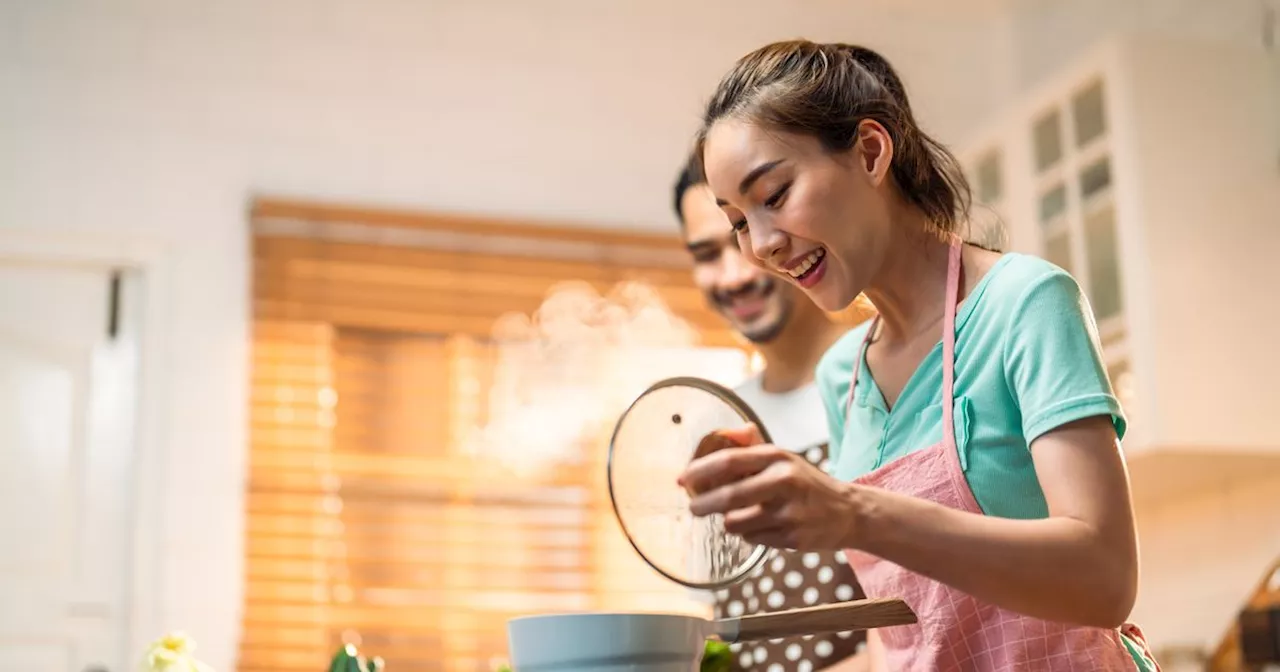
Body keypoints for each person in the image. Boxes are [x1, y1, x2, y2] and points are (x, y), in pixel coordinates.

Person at [677, 40, 1162, 671]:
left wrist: (856, 513)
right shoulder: (843, 376)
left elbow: (1104, 577)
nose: (761, 245)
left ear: (873, 151)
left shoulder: (1026, 303)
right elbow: (902, 626)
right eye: (739, 220)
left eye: (774, 194)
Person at [673, 155, 872, 671]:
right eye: (706, 253)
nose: (735, 274)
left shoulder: (885, 377)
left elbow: (943, 613)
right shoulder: (713, 425)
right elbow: (714, 633)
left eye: (743, 232)